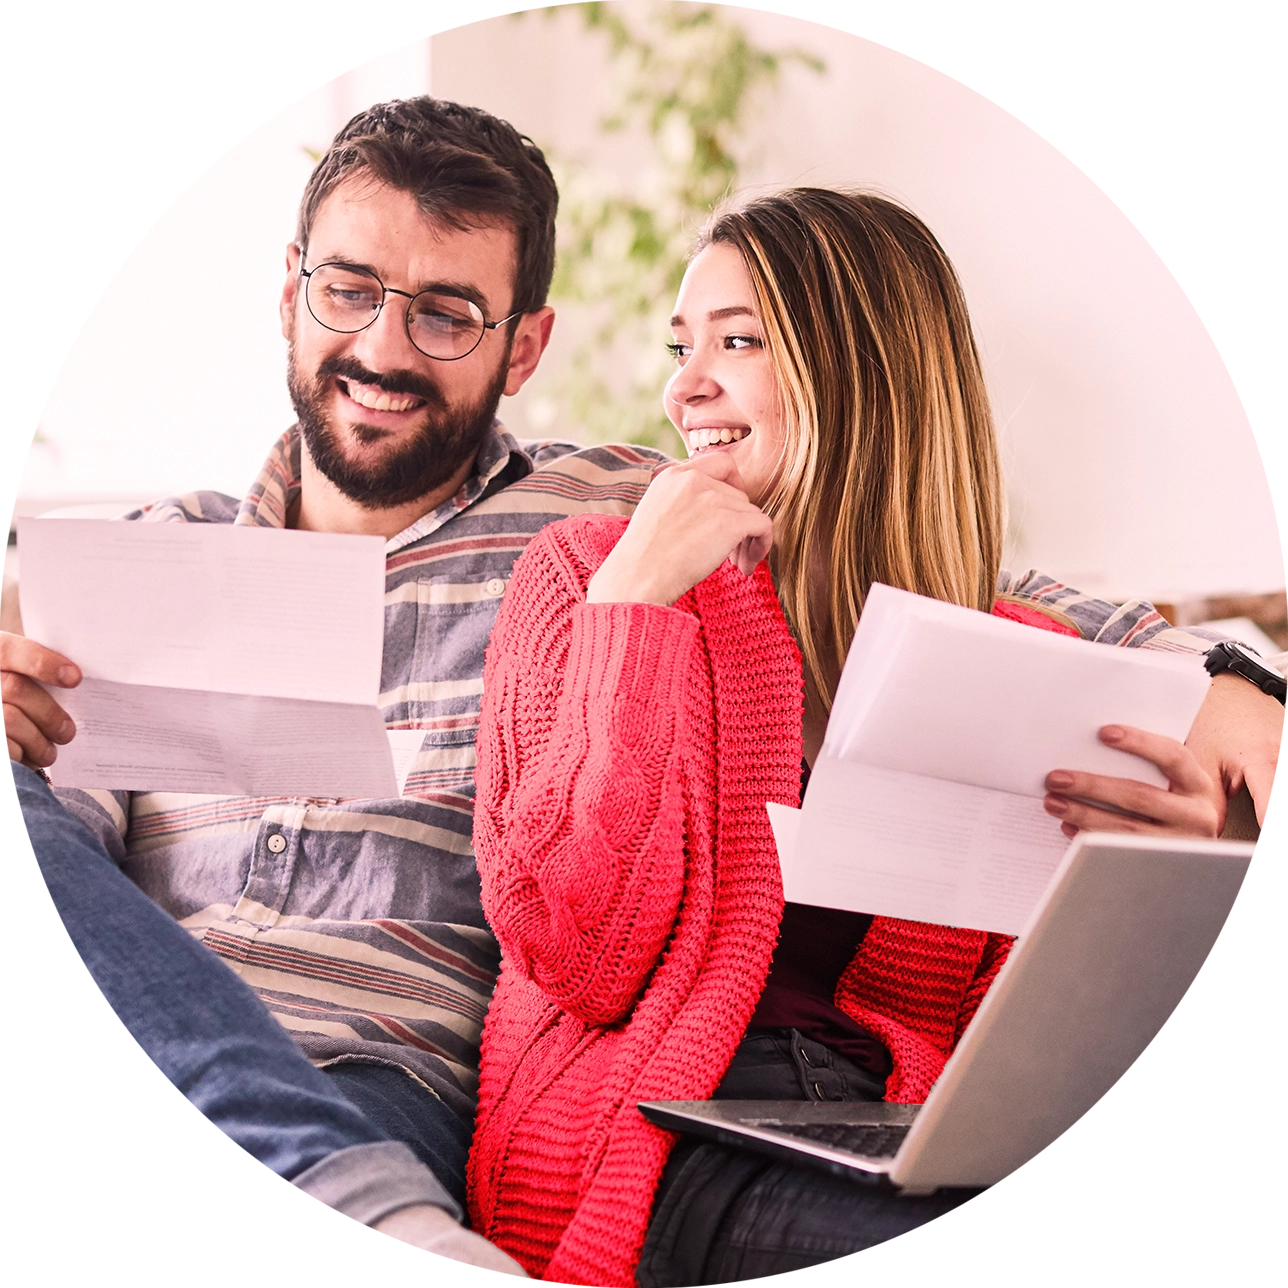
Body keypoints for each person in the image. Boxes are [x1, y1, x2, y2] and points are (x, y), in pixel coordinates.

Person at [5, 117, 1279, 1275]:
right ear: (291, 293)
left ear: (525, 346)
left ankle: (340, 1200)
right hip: (141, 1017)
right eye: (348, 290)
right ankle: (346, 1203)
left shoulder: (617, 518)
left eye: (447, 311)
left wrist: (1220, 683)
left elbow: (903, 552)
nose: (384, 347)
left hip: (385, 1062)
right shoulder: (137, 548)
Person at [461, 188, 1286, 1288]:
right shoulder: (586, 582)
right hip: (663, 1142)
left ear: (865, 371)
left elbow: (1047, 1042)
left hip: (914, 1134)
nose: (683, 385)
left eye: (738, 341)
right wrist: (636, 609)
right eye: (681, 345)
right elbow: (579, 957)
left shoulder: (1024, 655)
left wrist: (1167, 879)